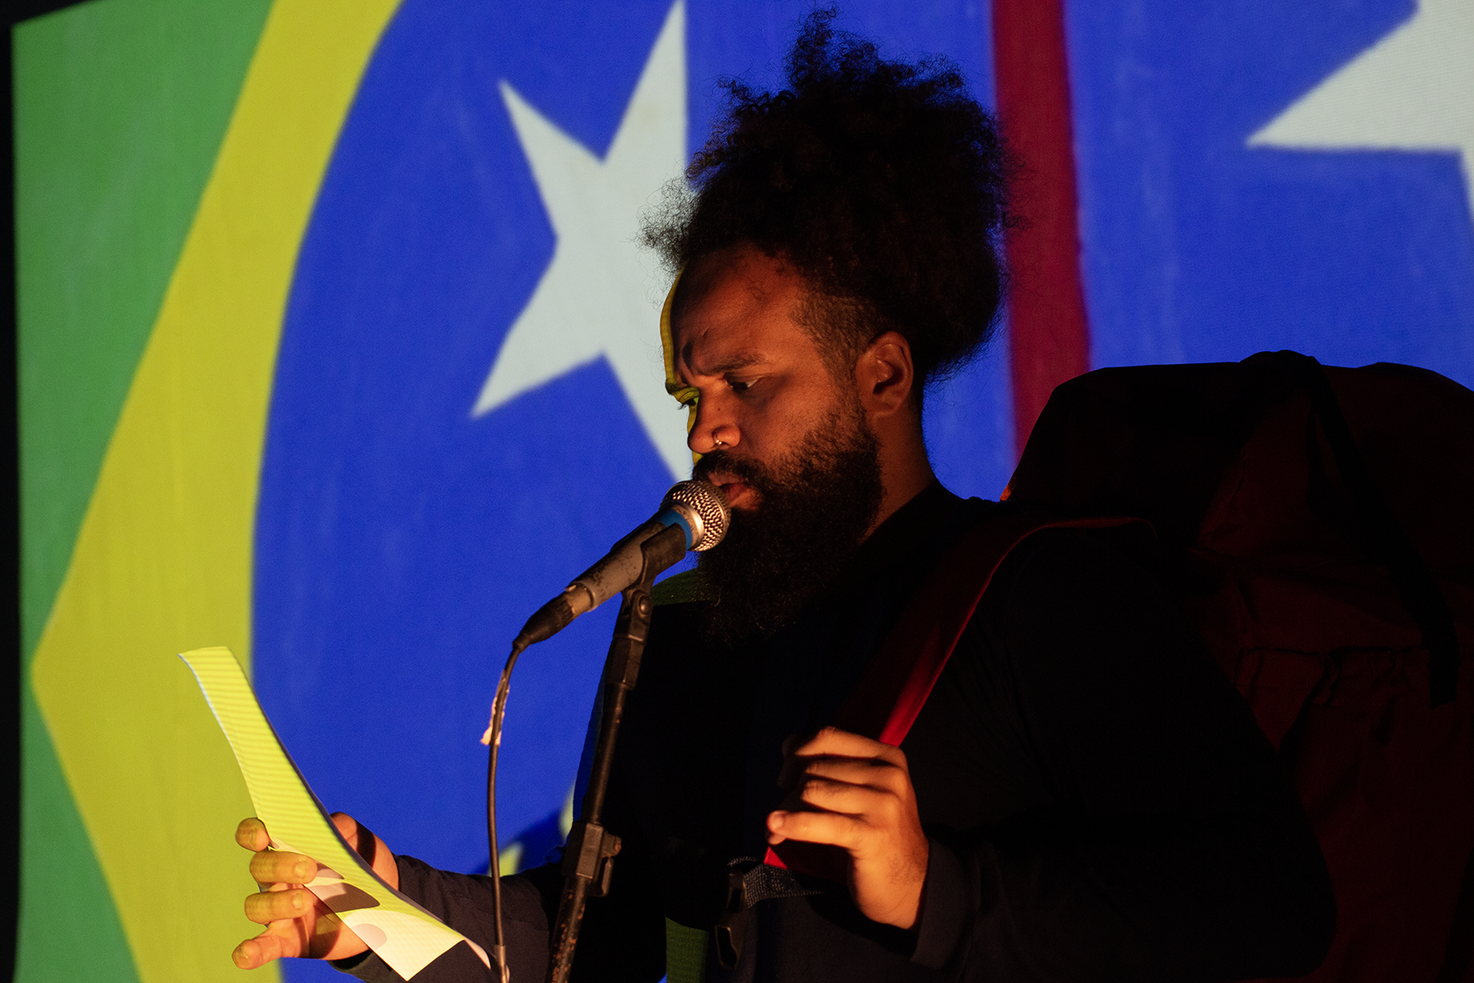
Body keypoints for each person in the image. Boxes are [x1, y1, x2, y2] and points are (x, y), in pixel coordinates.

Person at [234, 14, 1336, 982]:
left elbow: (1272, 903)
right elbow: (591, 941)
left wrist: (931, 887)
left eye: (745, 385)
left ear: (883, 378)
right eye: (690, 392)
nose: (703, 429)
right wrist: (378, 910)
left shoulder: (1044, 594)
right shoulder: (676, 632)